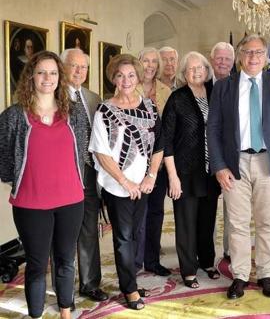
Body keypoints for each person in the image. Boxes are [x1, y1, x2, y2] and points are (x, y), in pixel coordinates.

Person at [208, 34, 270, 300]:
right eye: (248, 52)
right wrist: (219, 166)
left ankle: (266, 273)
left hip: (268, 162)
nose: (254, 57)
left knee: (266, 221)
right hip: (234, 163)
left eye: (259, 53)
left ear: (266, 57)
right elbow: (212, 129)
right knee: (236, 223)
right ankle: (241, 275)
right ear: (239, 55)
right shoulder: (224, 86)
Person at [0, 50, 86, 319]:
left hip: (71, 200)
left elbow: (82, 149)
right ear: (31, 77)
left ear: (60, 77)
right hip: (30, 203)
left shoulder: (74, 112)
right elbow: (3, 157)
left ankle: (65, 313)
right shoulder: (13, 115)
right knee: (36, 264)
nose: (47, 78)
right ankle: (36, 315)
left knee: (65, 260)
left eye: (53, 72)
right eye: (41, 72)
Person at [89, 54, 163, 310]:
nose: (126, 80)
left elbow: (159, 145)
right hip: (116, 185)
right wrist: (125, 182)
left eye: (131, 75)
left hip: (144, 185)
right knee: (123, 237)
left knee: (136, 235)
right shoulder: (105, 110)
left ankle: (129, 279)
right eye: (120, 75)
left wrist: (150, 176)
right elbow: (101, 151)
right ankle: (129, 289)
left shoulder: (150, 107)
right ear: (113, 78)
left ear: (139, 77)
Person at [162, 52, 221, 287]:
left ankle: (207, 261)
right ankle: (188, 269)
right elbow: (166, 140)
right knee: (186, 223)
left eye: (201, 68)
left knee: (207, 220)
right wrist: (172, 177)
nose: (197, 72)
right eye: (191, 69)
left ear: (207, 71)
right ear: (184, 74)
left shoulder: (215, 95)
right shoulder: (177, 98)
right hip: (184, 172)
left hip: (210, 172)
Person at [58, 48, 109, 303]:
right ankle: (62, 285)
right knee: (62, 232)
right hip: (63, 173)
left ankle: (90, 283)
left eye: (83, 67)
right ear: (62, 67)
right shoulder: (53, 97)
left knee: (89, 228)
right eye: (73, 66)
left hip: (89, 173)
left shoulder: (93, 97)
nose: (79, 72)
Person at [134, 47, 172, 276]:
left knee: (156, 211)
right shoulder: (129, 86)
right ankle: (135, 262)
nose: (149, 66)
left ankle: (152, 260)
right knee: (138, 213)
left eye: (153, 62)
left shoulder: (166, 91)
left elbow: (168, 128)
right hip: (134, 161)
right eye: (145, 61)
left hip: (159, 160)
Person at [208, 42, 236, 263]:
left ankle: (229, 249)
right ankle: (206, 252)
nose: (223, 62)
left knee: (232, 209)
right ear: (211, 59)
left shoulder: (239, 84)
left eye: (227, 59)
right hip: (205, 158)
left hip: (232, 158)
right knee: (207, 208)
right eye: (219, 58)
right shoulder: (201, 84)